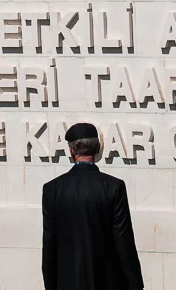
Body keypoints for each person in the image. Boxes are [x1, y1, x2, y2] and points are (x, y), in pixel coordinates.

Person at [41, 123, 144, 290]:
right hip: (107, 281)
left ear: (71, 151)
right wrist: (135, 284)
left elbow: (49, 245)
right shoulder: (113, 187)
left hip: (68, 282)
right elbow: (124, 242)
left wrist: (50, 284)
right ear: (97, 149)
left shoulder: (52, 190)